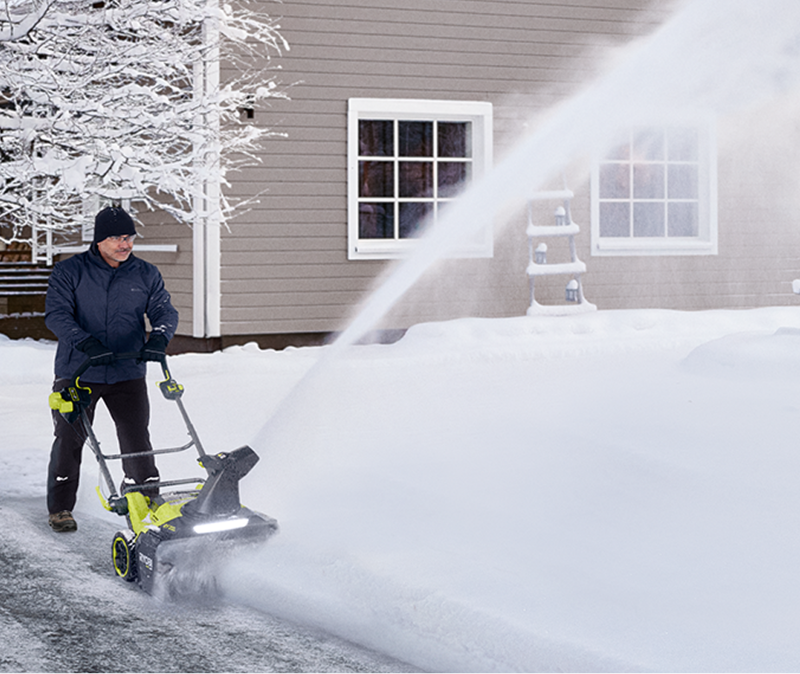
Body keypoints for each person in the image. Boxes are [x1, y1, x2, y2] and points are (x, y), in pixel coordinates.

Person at [44, 206, 179, 532]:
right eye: (118, 238)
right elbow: (57, 315)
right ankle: (61, 507)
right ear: (100, 239)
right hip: (79, 371)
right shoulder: (70, 272)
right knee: (69, 439)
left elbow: (164, 310)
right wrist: (85, 342)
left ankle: (144, 497)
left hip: (126, 371)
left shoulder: (145, 273)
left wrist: (159, 338)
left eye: (129, 237)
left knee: (136, 438)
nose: (125, 244)